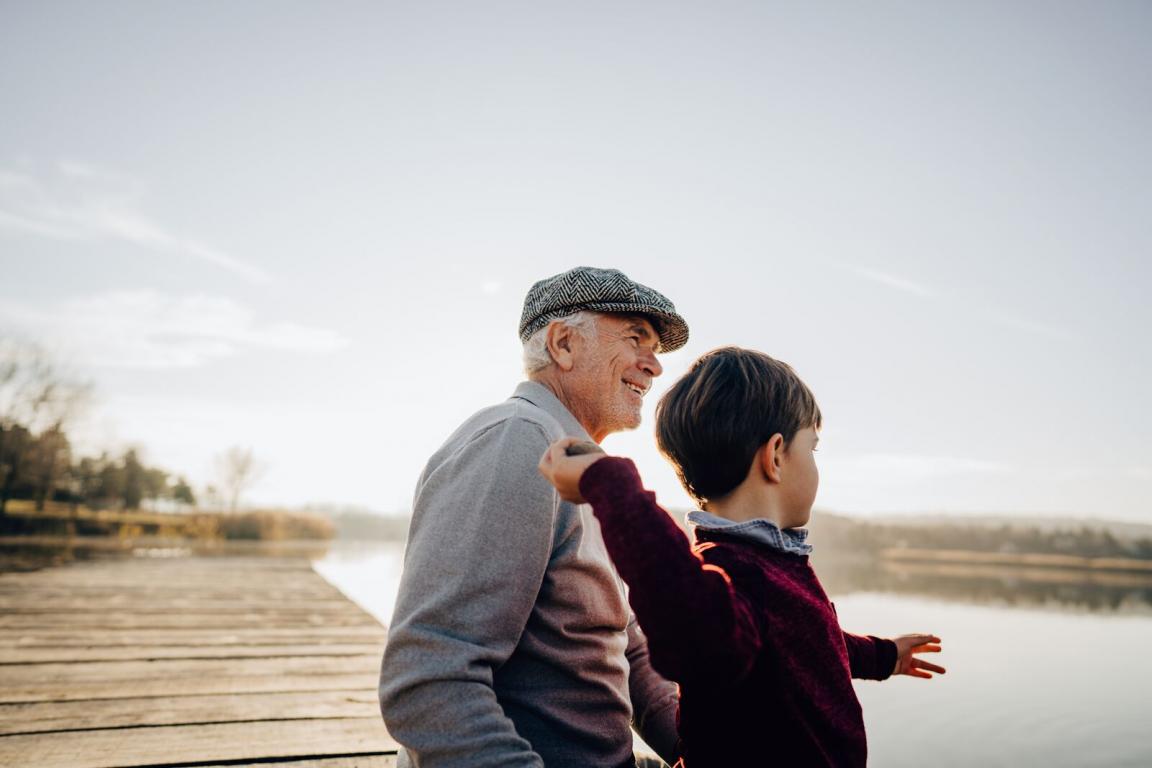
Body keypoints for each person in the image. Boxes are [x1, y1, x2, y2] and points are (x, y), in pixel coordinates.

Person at [538, 347, 946, 767]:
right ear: (775, 456)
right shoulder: (733, 571)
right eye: (813, 448)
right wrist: (613, 486)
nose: (816, 464)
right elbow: (693, 636)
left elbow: (807, 643)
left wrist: (884, 656)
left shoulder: (773, 564)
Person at [379, 266, 690, 768]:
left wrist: (700, 743)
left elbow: (626, 648)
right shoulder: (516, 441)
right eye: (637, 339)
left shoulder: (582, 471)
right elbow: (429, 680)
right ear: (564, 344)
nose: (654, 366)